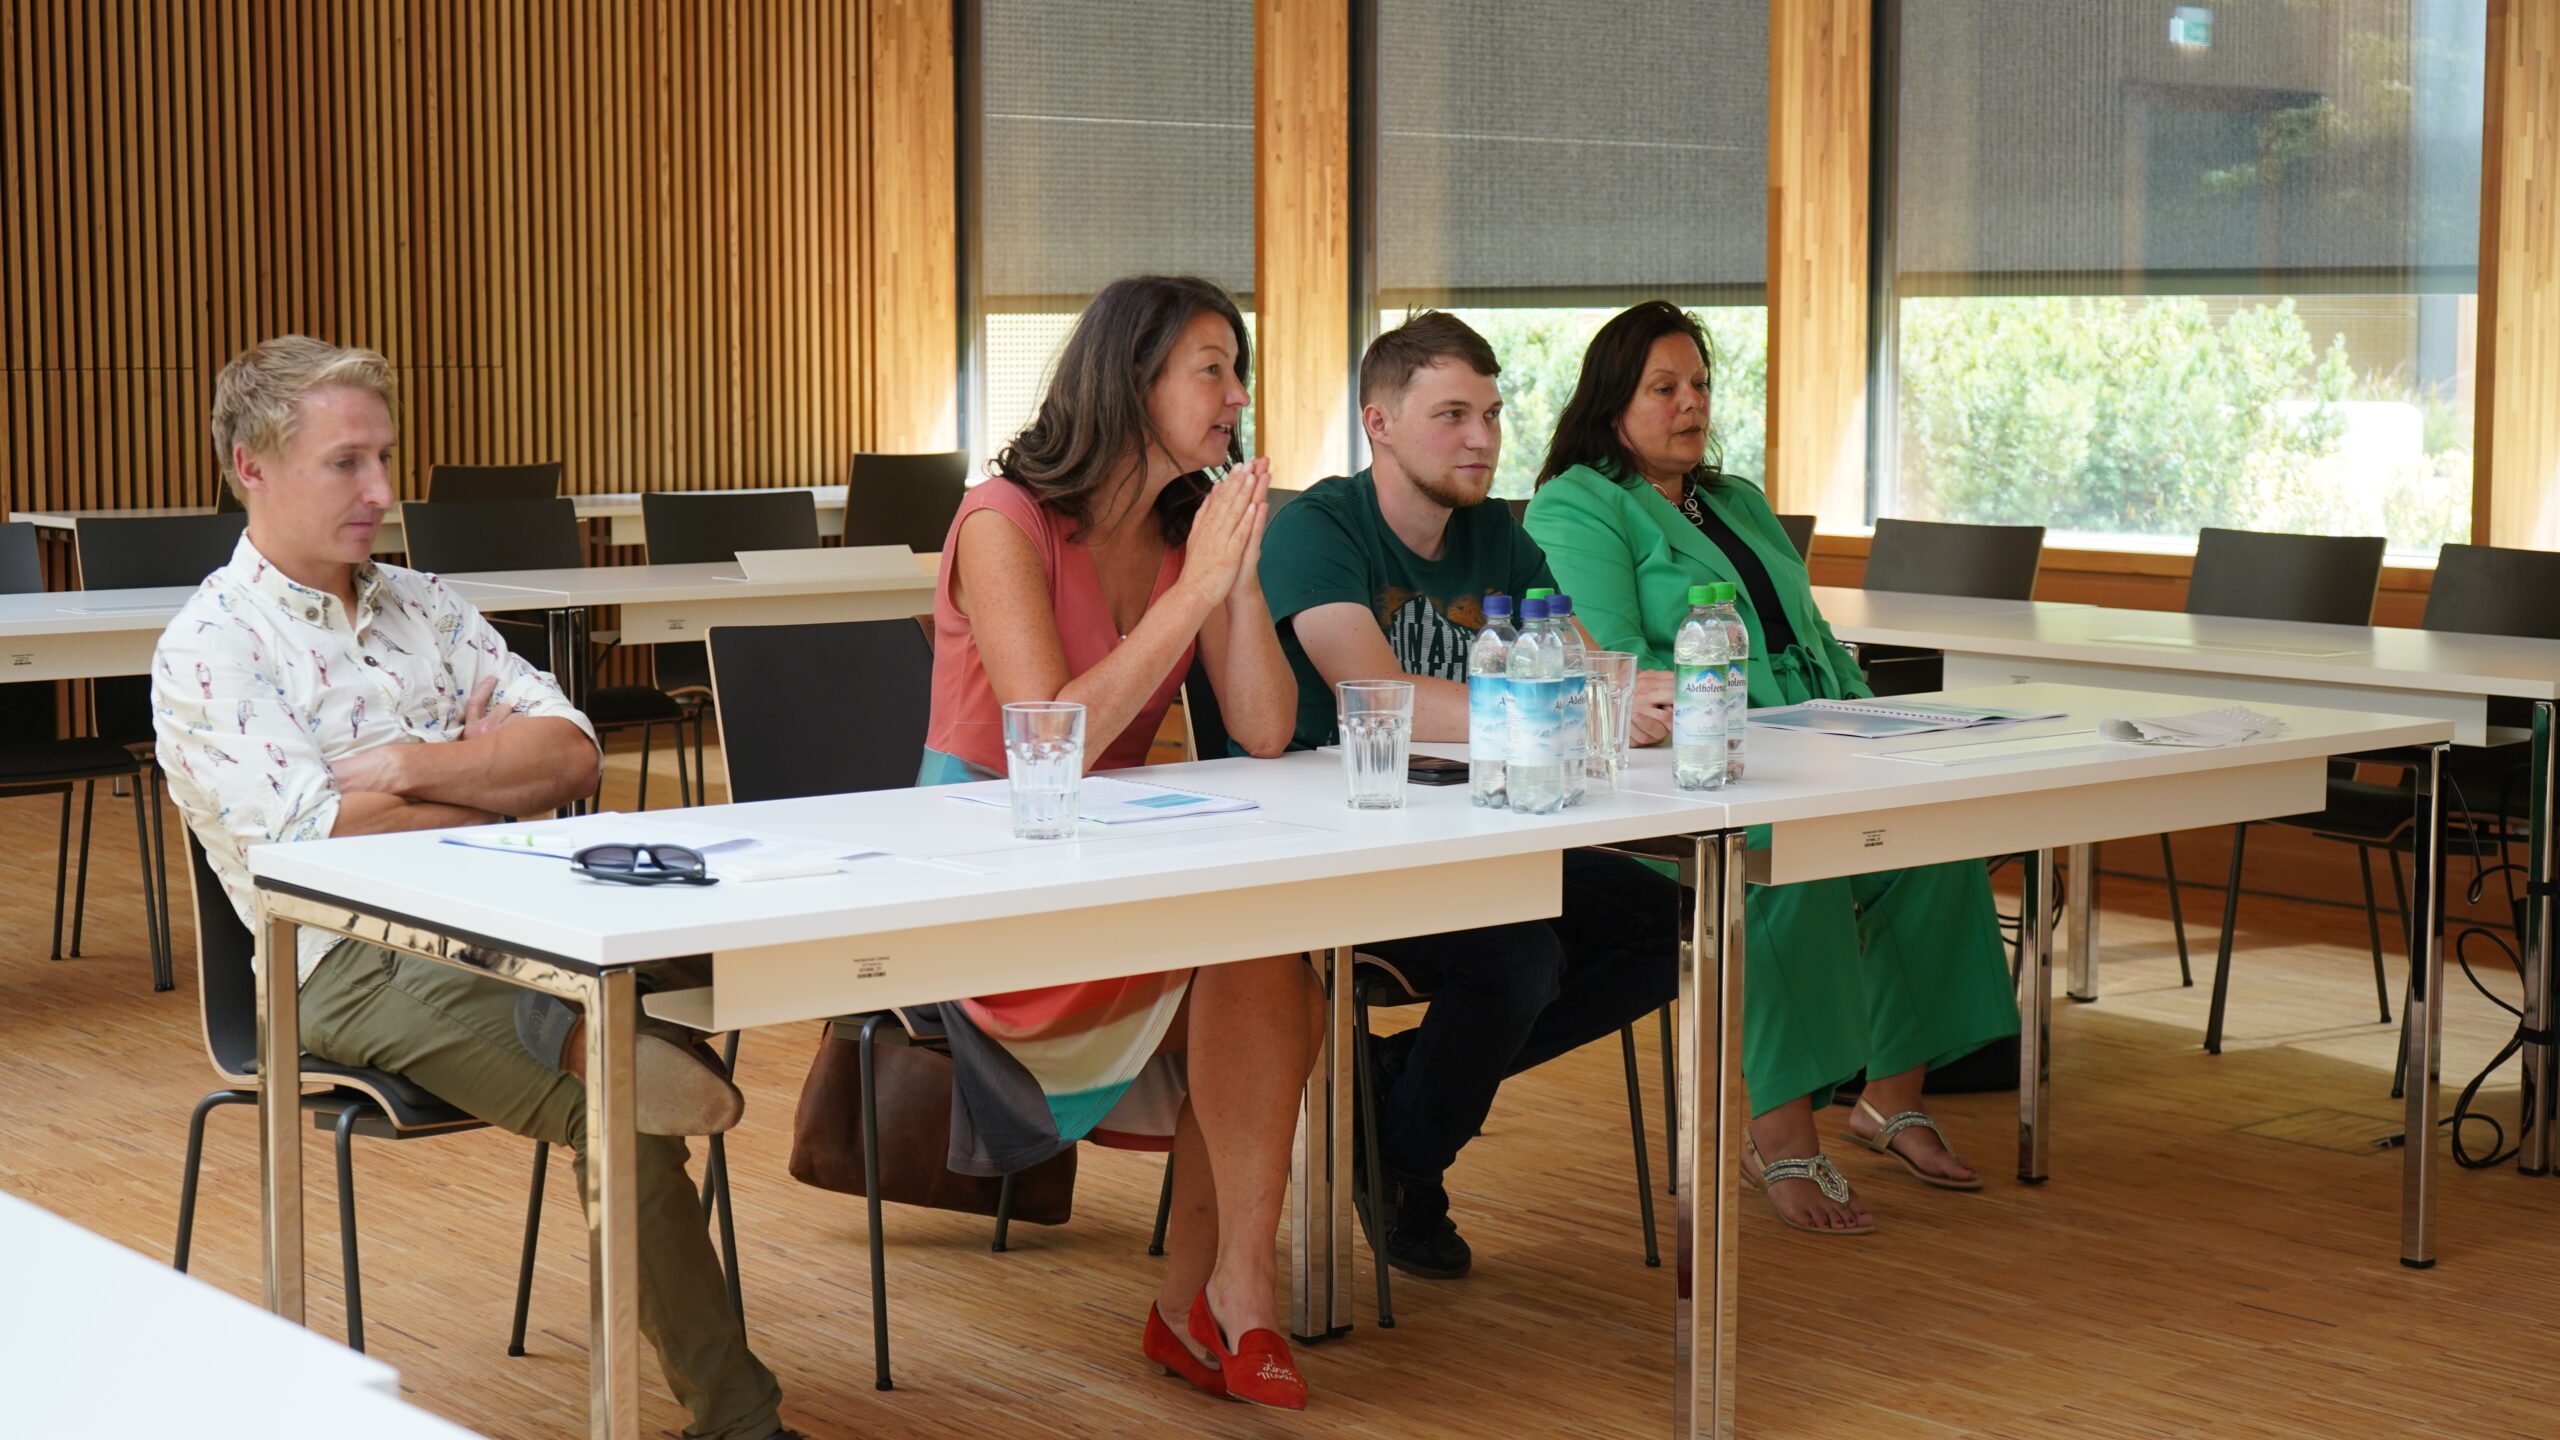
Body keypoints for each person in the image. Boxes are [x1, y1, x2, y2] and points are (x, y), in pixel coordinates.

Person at [155, 337, 800, 1440]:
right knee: (624, 1116)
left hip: (524, 910)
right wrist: (494, 787)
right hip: (341, 958)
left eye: (386, 459)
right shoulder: (212, 648)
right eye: (346, 464)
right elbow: (315, 836)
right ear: (247, 466)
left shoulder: (423, 605)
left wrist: (410, 767)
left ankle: (600, 1025)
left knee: (744, 943)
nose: (383, 493)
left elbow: (574, 753)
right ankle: (740, 1422)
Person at [1523, 300, 2020, 1236]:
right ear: (1610, 402)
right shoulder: (1578, 503)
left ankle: (1889, 1099)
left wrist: (1880, 725)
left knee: (1938, 839)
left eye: (1700, 385)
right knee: (1792, 868)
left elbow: (1814, 632)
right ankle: (1779, 1132)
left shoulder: (1737, 498)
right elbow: (1621, 670)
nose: (1690, 404)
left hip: (1815, 741)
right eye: (1663, 388)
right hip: (1683, 779)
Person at [918, 275, 1322, 1411]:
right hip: (981, 877)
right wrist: (1190, 596)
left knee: (1265, 951)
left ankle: (1228, 1292)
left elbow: (1263, 726)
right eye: (1212, 368)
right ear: (1129, 379)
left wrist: (1228, 578)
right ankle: (1212, 1301)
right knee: (1260, 966)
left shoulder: (1186, 526)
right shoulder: (1001, 518)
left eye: (1238, 371)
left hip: (1115, 860)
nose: (1237, 396)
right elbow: (1048, 740)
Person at [1255, 310, 1681, 1278]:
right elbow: (1377, 696)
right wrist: (1566, 701)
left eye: (1491, 413)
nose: (1482, 439)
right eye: (1451, 415)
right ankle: (1414, 1151)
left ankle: (1399, 1109)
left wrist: (1620, 695)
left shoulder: (1500, 534)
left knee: (1682, 928)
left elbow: (1573, 670)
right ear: (1379, 422)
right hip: (1348, 842)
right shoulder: (1316, 529)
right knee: (1518, 957)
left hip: (1483, 830)